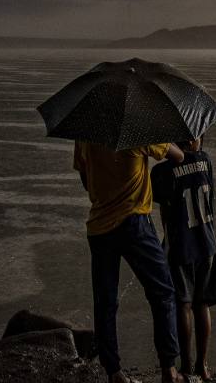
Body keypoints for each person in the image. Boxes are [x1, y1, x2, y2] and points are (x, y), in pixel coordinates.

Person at [74, 140, 187, 383]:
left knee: (105, 302)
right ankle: (169, 369)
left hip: (99, 228)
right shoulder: (137, 131)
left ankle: (114, 372)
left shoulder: (84, 134)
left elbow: (86, 181)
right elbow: (178, 156)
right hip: (134, 223)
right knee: (163, 293)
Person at [150, 137, 216, 381]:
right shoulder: (206, 161)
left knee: (182, 305)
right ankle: (203, 367)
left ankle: (186, 366)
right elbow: (210, 200)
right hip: (207, 242)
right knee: (201, 305)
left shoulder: (162, 171)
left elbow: (164, 210)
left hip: (181, 245)